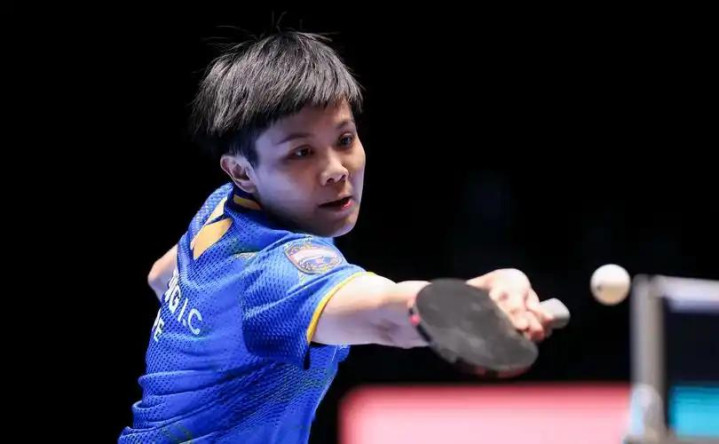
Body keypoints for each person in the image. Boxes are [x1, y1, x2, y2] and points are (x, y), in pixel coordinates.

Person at [119, 31, 554, 443]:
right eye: (301, 152)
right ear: (241, 171)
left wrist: (213, 342)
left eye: (344, 139)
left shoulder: (222, 208)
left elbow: (162, 275)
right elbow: (386, 316)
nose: (336, 169)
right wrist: (477, 299)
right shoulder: (274, 271)